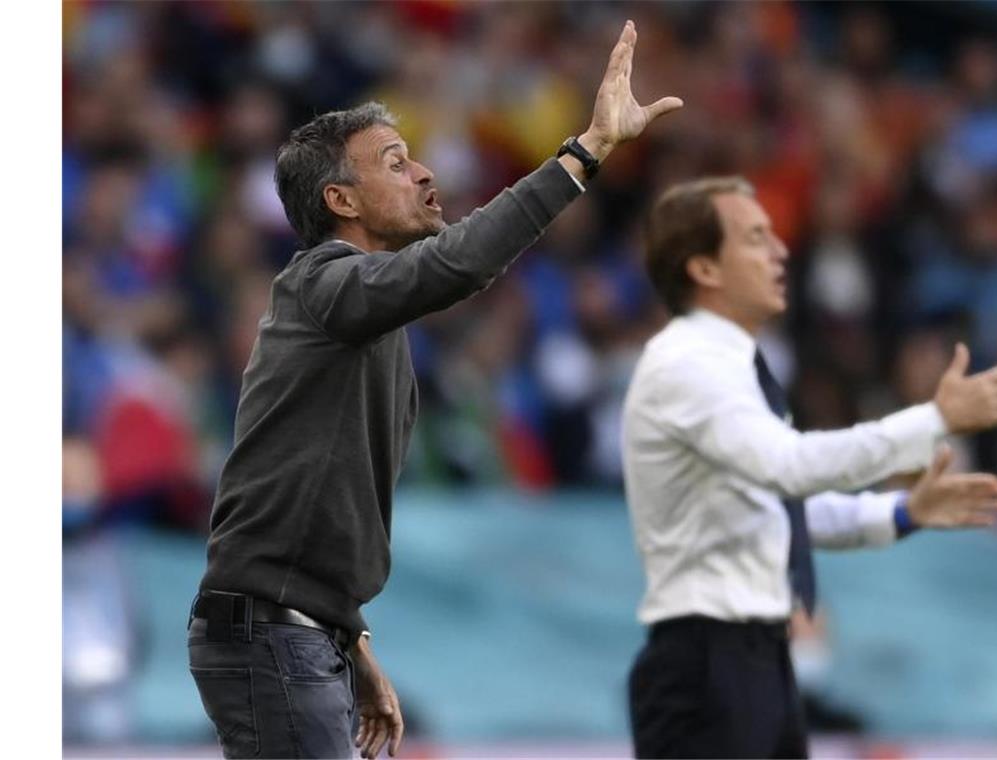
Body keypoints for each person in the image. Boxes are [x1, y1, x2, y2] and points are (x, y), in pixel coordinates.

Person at [187, 20, 682, 760]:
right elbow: (459, 264)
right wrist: (583, 156)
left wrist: (350, 646)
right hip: (271, 635)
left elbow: (310, 502)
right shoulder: (325, 283)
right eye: (394, 162)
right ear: (341, 202)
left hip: (295, 633)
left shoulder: (360, 315)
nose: (422, 174)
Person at [621, 177, 997, 759]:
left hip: (754, 662)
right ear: (704, 270)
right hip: (708, 665)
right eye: (755, 238)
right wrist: (933, 420)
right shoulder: (688, 365)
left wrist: (903, 509)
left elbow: (777, 510)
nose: (781, 251)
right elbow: (789, 467)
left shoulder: (730, 365)